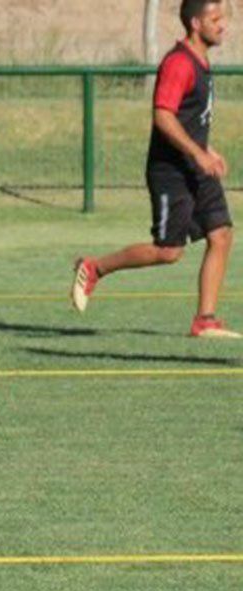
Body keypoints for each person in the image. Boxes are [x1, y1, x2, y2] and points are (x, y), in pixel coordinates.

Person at [72, 0, 238, 338]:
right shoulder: (179, 63)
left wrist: (206, 151)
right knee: (168, 251)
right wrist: (197, 152)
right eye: (215, 19)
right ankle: (95, 268)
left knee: (221, 235)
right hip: (172, 172)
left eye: (224, 18)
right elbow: (163, 115)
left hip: (195, 166)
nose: (223, 25)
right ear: (195, 23)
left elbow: (189, 119)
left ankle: (205, 319)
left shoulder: (202, 61)